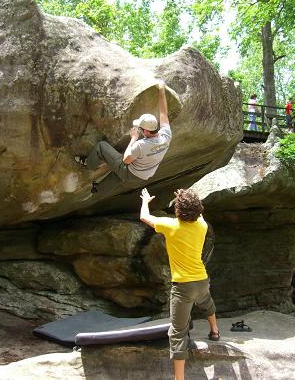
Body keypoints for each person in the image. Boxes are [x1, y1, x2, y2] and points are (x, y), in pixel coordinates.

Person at [139, 187, 220, 380]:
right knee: (207, 303)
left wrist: (145, 200)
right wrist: (186, 198)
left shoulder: (171, 226)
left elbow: (144, 217)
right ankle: (215, 331)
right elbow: (197, 212)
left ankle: (179, 378)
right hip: (201, 280)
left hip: (182, 288)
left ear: (178, 210)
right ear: (198, 208)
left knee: (177, 333)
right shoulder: (202, 226)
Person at [75, 81, 171, 194]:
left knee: (102, 147)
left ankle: (88, 164)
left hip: (131, 171)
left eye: (140, 128)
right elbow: (163, 113)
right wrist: (161, 89)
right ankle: (97, 189)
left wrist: (134, 138)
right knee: (119, 174)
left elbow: (126, 160)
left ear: (145, 131)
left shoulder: (141, 146)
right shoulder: (166, 135)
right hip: (145, 175)